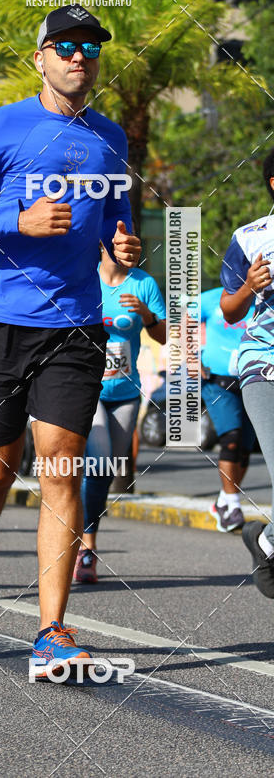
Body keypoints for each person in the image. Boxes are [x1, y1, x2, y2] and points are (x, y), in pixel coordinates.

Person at [0, 4, 140, 673]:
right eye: (68, 46)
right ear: (41, 57)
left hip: (77, 323)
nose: (81, 57)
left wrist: (124, 242)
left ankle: (52, 628)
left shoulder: (111, 139)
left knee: (62, 465)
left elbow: (116, 221)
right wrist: (17, 220)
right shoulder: (3, 126)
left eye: (92, 48)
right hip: (1, 321)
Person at [75, 243, 166, 583]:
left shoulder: (143, 284)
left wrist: (146, 314)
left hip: (126, 392)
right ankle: (84, 547)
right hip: (88, 387)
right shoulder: (84, 279)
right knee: (97, 458)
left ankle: (87, 544)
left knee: (104, 472)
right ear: (100, 246)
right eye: (119, 245)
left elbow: (162, 336)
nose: (129, 250)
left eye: (133, 245)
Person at [220, 148, 274, 598]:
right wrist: (249, 287)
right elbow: (229, 309)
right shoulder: (251, 237)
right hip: (264, 366)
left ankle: (267, 540)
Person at [200, 285, 256, 533]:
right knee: (231, 440)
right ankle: (233, 505)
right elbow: (180, 321)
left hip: (254, 380)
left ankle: (223, 500)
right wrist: (190, 357)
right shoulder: (212, 298)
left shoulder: (264, 299)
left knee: (244, 447)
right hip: (217, 381)